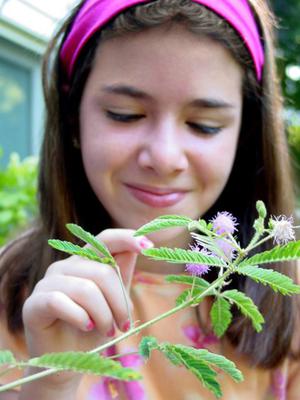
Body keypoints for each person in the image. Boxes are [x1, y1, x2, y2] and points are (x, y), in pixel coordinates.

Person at [0, 0, 299, 398]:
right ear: (73, 116)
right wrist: (53, 381)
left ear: (245, 134)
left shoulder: (289, 299)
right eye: (124, 114)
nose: (163, 157)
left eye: (204, 126)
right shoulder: (15, 292)